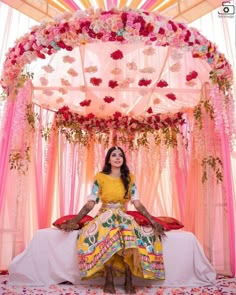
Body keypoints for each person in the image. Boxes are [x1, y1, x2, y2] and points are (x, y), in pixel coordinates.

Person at [60, 146, 166, 294]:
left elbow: (137, 203)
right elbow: (91, 202)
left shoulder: (129, 179)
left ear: (123, 160)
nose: (117, 158)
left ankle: (128, 279)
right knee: (109, 231)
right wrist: (76, 220)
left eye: (120, 155)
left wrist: (152, 221)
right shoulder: (100, 178)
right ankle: (108, 278)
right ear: (108, 159)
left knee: (129, 234)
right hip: (105, 214)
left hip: (122, 215)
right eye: (114, 155)